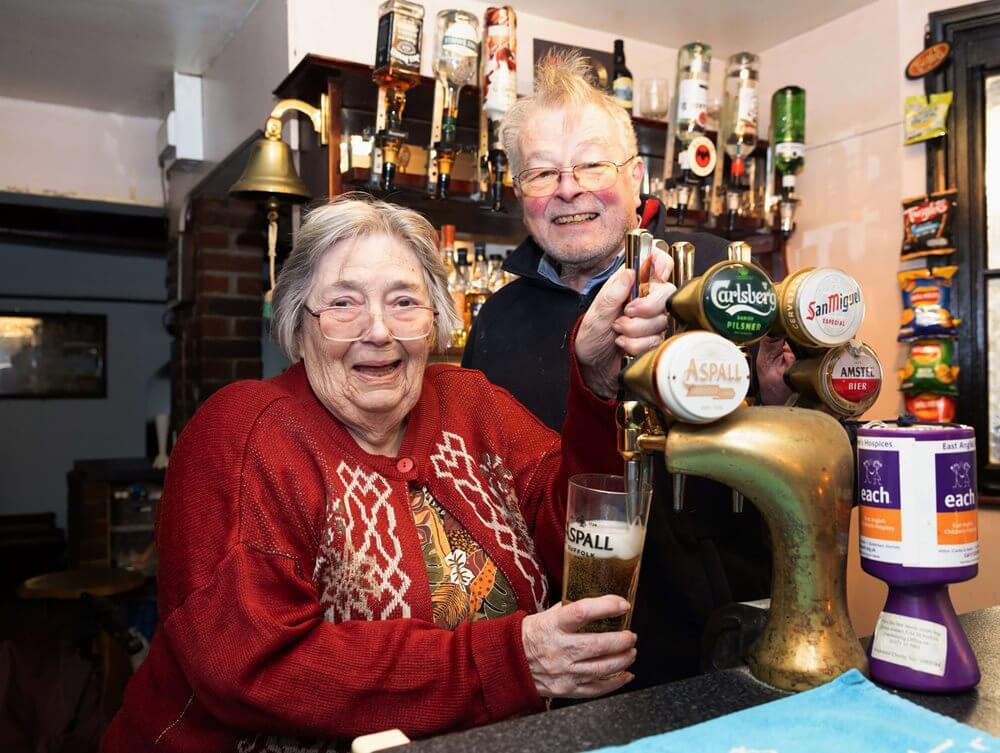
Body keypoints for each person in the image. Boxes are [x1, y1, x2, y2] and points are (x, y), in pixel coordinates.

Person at [102, 195, 680, 752]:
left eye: (404, 301)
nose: (378, 330)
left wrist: (598, 381)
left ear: (436, 321)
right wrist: (512, 661)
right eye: (344, 303)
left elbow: (573, 532)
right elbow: (252, 663)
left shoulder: (470, 404)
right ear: (299, 324)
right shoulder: (243, 432)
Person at [463, 52, 794, 686]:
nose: (568, 187)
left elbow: (804, 446)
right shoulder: (497, 320)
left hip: (725, 637)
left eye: (592, 163)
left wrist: (777, 397)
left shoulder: (724, 274)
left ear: (637, 175)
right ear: (519, 193)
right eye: (543, 172)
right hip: (565, 652)